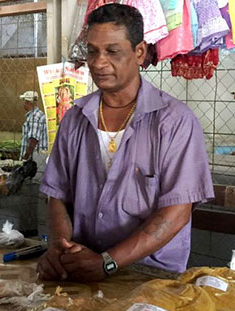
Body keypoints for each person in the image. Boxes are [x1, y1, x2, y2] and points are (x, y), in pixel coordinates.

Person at [38, 3, 214, 282]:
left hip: (150, 274)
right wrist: (62, 250)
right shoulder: (75, 118)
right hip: (83, 265)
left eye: (112, 52)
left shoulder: (174, 121)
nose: (98, 63)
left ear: (139, 52)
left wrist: (108, 262)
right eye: (92, 51)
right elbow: (57, 194)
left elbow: (177, 212)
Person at [19, 91, 48, 161]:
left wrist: (25, 158)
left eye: (25, 101)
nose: (24, 104)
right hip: (38, 157)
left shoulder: (34, 117)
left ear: (29, 102)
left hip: (34, 158)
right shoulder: (38, 114)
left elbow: (33, 140)